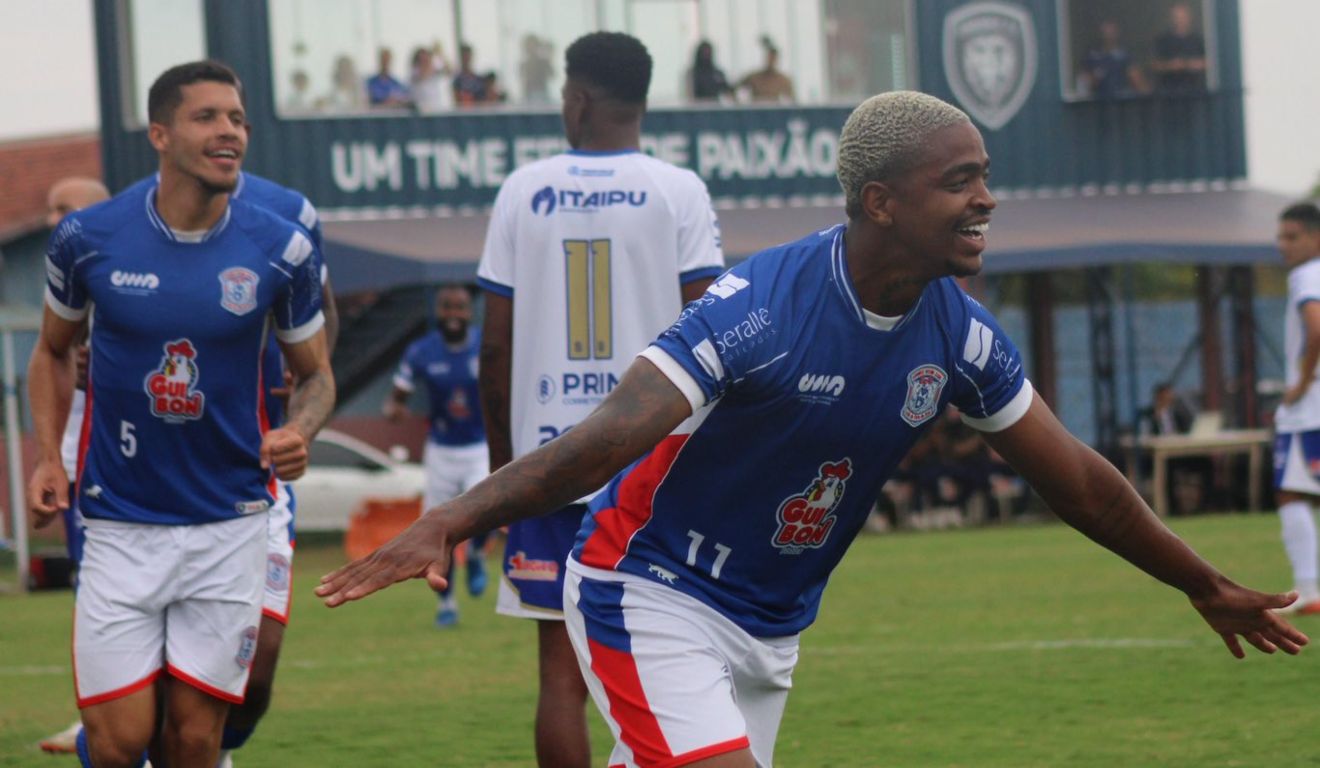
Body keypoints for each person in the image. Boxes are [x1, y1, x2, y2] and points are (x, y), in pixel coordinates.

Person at [320, 89, 1308, 765]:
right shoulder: (762, 307)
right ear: (881, 201)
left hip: (773, 623)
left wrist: (1203, 583)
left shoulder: (959, 335)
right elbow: (613, 432)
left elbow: (1080, 482)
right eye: (960, 181)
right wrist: (455, 516)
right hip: (648, 586)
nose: (987, 198)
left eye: (986, 174)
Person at [28, 60, 335, 768]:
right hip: (119, 521)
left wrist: (300, 430)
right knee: (117, 743)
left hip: (230, 522)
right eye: (208, 117)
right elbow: (50, 351)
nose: (229, 131)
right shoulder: (87, 238)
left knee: (196, 741)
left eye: (237, 119)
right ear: (161, 134)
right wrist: (49, 455)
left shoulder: (279, 247)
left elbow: (316, 373)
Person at [474, 31, 725, 767]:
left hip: (552, 468)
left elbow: (494, 349)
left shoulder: (523, 189)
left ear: (577, 99)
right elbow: (715, 335)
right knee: (671, 659)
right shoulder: (681, 191)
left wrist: (504, 475)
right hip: (654, 467)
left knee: (562, 679)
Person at [35, 177, 109, 757]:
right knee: (92, 592)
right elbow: (50, 358)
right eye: (51, 209)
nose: (54, 218)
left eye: (67, 208)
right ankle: (96, 715)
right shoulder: (63, 281)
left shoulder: (123, 273)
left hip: (122, 459)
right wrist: (49, 458)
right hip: (77, 463)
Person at [384, 284, 490, 627]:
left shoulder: (485, 346)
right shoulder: (421, 351)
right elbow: (397, 396)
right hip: (441, 449)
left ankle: (475, 554)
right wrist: (394, 410)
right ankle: (447, 605)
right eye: (447, 307)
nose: (454, 314)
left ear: (470, 312)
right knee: (437, 533)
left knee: (486, 512)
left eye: (460, 307)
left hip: (478, 446)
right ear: (437, 312)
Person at [1272, 202, 1320, 615]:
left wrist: (1301, 384)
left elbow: (1316, 325)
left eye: (1292, 236)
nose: (1281, 244)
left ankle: (1308, 589)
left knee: (1291, 493)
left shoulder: (1306, 275)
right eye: (1280, 236)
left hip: (1310, 407)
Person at [1079, 20, 1149, 99]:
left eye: (1112, 31)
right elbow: (1084, 84)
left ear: (1117, 33)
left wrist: (1148, 99)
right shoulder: (1092, 57)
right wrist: (1095, 78)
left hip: (1120, 104)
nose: (1108, 34)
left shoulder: (1125, 57)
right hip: (1098, 103)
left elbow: (1137, 81)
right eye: (1106, 31)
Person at [1151, 2, 1207, 93]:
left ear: (1189, 18)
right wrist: (1171, 66)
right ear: (1172, 19)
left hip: (1196, 92)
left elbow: (1211, 63)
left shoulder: (1198, 40)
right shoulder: (1163, 40)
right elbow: (1154, 65)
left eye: (1183, 17)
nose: (1180, 20)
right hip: (1171, 93)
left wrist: (1192, 64)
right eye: (1177, 17)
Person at [737, 36, 795, 103]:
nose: (770, 61)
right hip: (757, 109)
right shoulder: (754, 78)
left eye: (773, 59)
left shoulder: (783, 80)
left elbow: (792, 100)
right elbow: (735, 89)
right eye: (769, 58)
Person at [410, 44, 454, 113]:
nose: (425, 61)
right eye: (422, 60)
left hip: (438, 109)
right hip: (421, 112)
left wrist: (440, 54)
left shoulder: (435, 70)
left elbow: (450, 70)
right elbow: (423, 75)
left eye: (426, 58)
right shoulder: (414, 72)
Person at [520, 34, 555, 104]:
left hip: (542, 94)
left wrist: (550, 56)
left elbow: (552, 75)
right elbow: (523, 80)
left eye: (532, 45)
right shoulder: (524, 64)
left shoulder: (544, 62)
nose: (530, 48)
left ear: (537, 46)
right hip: (528, 95)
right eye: (528, 46)